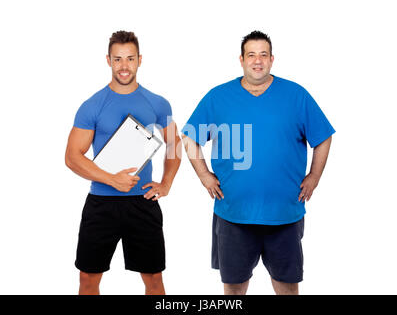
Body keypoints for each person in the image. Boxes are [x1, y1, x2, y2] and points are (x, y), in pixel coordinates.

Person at [181, 31, 335, 295]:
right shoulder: (218, 97)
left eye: (263, 55)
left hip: (284, 213)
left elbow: (323, 137)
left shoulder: (296, 95)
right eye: (251, 55)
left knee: (287, 288)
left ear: (272, 59)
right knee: (234, 289)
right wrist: (205, 175)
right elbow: (189, 137)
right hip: (233, 214)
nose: (257, 61)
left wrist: (314, 176)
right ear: (241, 59)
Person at [65, 31, 181, 295]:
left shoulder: (158, 103)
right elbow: (72, 156)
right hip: (101, 203)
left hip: (143, 202)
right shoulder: (92, 105)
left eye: (130, 59)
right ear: (108, 60)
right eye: (118, 59)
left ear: (140, 60)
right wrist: (111, 179)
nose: (124, 66)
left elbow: (174, 144)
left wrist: (166, 182)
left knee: (153, 279)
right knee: (87, 278)